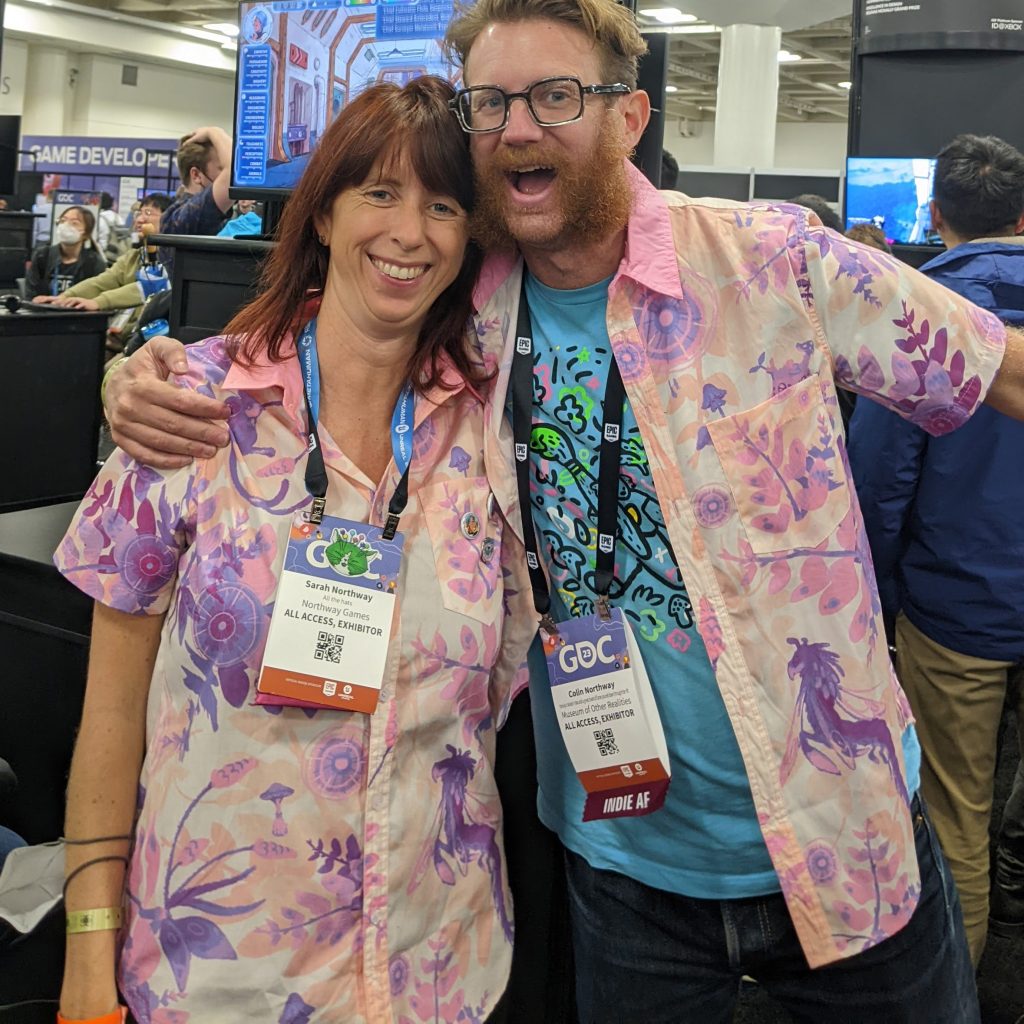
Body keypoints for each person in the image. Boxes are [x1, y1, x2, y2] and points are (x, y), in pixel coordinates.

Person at [104, 0, 1024, 1018]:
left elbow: (1001, 367)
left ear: (627, 117)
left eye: (555, 95)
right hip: (620, 871)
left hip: (839, 842)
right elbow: (327, 330)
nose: (517, 127)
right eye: (490, 102)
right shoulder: (469, 319)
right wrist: (150, 371)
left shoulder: (774, 263)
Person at [54, 76, 533, 1023]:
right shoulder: (193, 408)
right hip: (222, 977)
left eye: (442, 205)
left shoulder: (487, 432)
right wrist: (85, 949)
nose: (410, 232)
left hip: (440, 970)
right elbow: (109, 715)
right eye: (381, 194)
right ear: (324, 214)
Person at [847, 133, 1024, 965]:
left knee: (956, 815)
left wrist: (875, 601)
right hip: (963, 604)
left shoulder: (916, 314)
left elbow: (881, 482)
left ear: (937, 215)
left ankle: (960, 988)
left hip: (955, 611)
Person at [32, 194, 171, 337]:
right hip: (119, 335)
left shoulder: (171, 259)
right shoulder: (134, 257)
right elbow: (103, 281)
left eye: (148, 213)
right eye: (138, 213)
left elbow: (149, 286)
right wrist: (65, 297)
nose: (139, 219)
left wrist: (98, 302)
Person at [158, 126, 234, 273]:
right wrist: (214, 131)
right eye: (220, 168)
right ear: (196, 175)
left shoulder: (181, 212)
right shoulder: (184, 216)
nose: (224, 174)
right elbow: (236, 174)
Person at [24, 205, 106, 300]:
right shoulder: (43, 256)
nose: (66, 226)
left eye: (74, 223)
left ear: (86, 233)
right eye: (63, 221)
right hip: (44, 312)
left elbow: (98, 298)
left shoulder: (94, 262)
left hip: (78, 313)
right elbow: (30, 295)